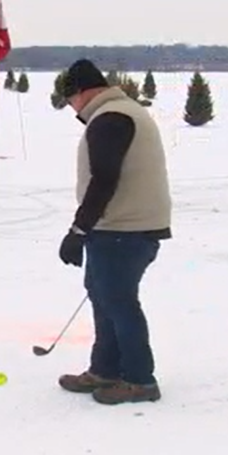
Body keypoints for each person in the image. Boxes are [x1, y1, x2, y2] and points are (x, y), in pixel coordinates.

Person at [54, 59, 173, 405]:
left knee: (119, 302)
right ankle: (105, 369)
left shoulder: (111, 118)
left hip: (126, 227)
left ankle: (139, 379)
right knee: (103, 296)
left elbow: (104, 179)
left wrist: (78, 229)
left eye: (71, 99)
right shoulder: (121, 112)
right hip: (121, 226)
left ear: (83, 92)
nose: (72, 108)